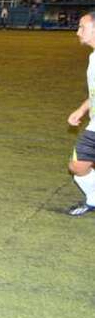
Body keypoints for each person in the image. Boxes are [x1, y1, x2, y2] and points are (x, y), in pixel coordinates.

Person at [65, 12, 95, 216]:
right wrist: (82, 110)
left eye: (82, 27)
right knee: (78, 166)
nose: (78, 32)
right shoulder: (93, 57)